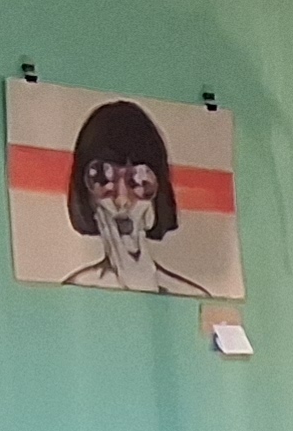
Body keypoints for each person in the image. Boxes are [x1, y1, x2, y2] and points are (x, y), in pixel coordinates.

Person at [61, 98, 209, 295]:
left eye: (139, 181)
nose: (122, 200)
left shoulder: (192, 295)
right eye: (104, 180)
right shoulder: (76, 287)